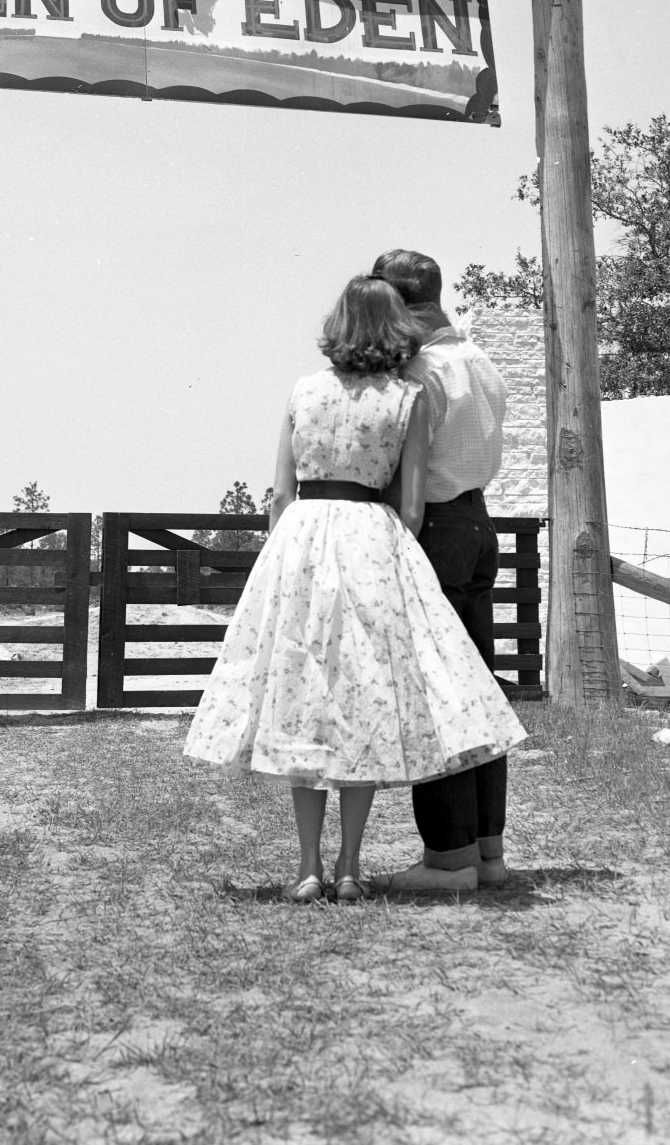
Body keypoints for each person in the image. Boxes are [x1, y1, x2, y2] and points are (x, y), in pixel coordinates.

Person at [183, 273, 526, 903]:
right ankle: (352, 867)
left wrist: (287, 552)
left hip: (304, 537)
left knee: (306, 691)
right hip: (381, 531)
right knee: (411, 690)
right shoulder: (411, 394)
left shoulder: (303, 390)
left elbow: (281, 494)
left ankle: (310, 866)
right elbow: (413, 505)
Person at [371, 248, 512, 894]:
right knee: (480, 690)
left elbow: (407, 467)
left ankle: (447, 855)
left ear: (396, 300)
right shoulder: (479, 361)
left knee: (438, 690)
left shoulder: (420, 370)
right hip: (482, 523)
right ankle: (488, 848)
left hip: (438, 526)